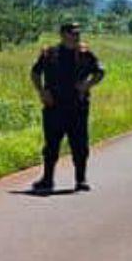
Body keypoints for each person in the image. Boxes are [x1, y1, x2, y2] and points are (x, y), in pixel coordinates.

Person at [30, 21, 106, 193]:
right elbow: (35, 73)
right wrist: (42, 92)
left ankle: (81, 179)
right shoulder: (49, 53)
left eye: (78, 33)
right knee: (51, 145)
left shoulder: (85, 54)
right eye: (73, 33)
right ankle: (47, 179)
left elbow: (100, 71)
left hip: (77, 106)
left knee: (79, 145)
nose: (76, 36)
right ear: (63, 34)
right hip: (54, 106)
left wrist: (88, 85)